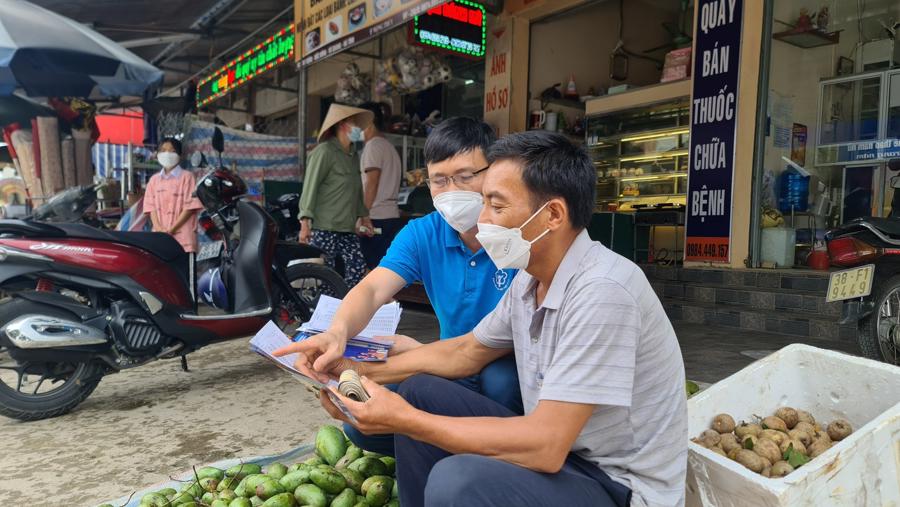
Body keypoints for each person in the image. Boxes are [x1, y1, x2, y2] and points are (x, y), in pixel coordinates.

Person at [279, 131, 688, 507]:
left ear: (553, 215)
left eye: (496, 205)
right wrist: (353, 369)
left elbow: (546, 445)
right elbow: (466, 351)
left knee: (457, 480)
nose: (484, 219)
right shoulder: (531, 280)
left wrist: (406, 420)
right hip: (570, 457)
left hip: (616, 484)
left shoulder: (603, 290)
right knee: (420, 389)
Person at [279, 117, 522, 457]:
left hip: (506, 364)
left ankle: (500, 458)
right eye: (439, 180)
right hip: (449, 360)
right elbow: (373, 290)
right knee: (361, 428)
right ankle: (461, 446)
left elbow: (481, 351)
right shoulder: (423, 233)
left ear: (493, 171)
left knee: (501, 380)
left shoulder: (519, 232)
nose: (451, 191)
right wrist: (339, 331)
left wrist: (369, 366)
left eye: (465, 176)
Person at [299, 104, 376, 287]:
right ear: (342, 125)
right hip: (324, 226)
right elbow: (310, 186)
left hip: (347, 227)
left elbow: (357, 190)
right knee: (325, 275)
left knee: (357, 268)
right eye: (354, 124)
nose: (358, 129)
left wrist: (364, 217)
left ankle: (345, 306)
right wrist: (304, 222)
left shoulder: (353, 156)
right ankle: (323, 311)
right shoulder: (324, 152)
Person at [358, 102, 403, 269]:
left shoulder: (373, 146)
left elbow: (372, 183)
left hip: (374, 218)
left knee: (371, 270)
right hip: (389, 216)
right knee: (383, 268)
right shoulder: (388, 146)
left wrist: (363, 215)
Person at [143, 137, 203, 253]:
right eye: (163, 150)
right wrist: (159, 229)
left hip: (184, 239)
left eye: (172, 151)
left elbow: (189, 207)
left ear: (180, 155)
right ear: (157, 154)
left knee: (183, 269)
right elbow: (151, 208)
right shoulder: (154, 180)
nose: (167, 154)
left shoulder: (187, 177)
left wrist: (172, 229)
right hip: (159, 237)